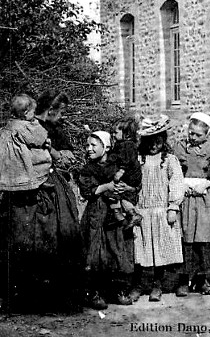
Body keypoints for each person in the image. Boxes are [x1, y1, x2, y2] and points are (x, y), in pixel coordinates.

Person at [0, 92, 82, 313]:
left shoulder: (10, 129)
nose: (63, 117)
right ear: (51, 110)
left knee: (46, 239)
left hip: (30, 187)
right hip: (35, 190)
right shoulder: (33, 128)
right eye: (61, 112)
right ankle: (29, 298)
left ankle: (46, 297)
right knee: (39, 239)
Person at [78, 131, 135, 309]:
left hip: (114, 214)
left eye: (93, 145)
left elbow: (131, 184)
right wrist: (106, 186)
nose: (89, 149)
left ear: (106, 147)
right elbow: (87, 192)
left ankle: (118, 290)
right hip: (96, 214)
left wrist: (124, 190)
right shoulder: (88, 169)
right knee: (95, 252)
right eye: (87, 145)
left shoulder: (117, 167)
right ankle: (94, 293)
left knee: (116, 249)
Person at [130, 115, 185, 303]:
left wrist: (173, 207)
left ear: (163, 140)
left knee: (159, 251)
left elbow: (177, 183)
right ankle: (137, 285)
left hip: (161, 211)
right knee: (141, 250)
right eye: (150, 141)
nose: (154, 145)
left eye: (158, 140)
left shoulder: (169, 160)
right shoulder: (138, 160)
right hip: (142, 212)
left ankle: (157, 285)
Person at [173, 112, 210, 296]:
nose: (192, 137)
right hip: (185, 198)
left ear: (207, 134)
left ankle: (201, 280)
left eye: (198, 134)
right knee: (186, 237)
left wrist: (207, 183)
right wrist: (181, 184)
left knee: (202, 240)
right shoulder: (179, 147)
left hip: (204, 199)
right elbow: (174, 169)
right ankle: (183, 280)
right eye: (191, 132)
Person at [0, 94, 51, 192]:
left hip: (9, 164)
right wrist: (36, 124)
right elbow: (39, 139)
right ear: (26, 113)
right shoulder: (25, 127)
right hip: (22, 162)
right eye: (33, 112)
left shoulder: (8, 125)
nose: (34, 115)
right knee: (39, 153)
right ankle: (39, 179)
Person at [106, 116, 143, 229]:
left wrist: (120, 171)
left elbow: (127, 160)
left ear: (126, 134)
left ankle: (130, 215)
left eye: (115, 132)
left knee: (120, 195)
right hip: (130, 174)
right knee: (120, 196)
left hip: (130, 175)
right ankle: (122, 216)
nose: (113, 135)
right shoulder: (122, 145)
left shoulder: (127, 145)